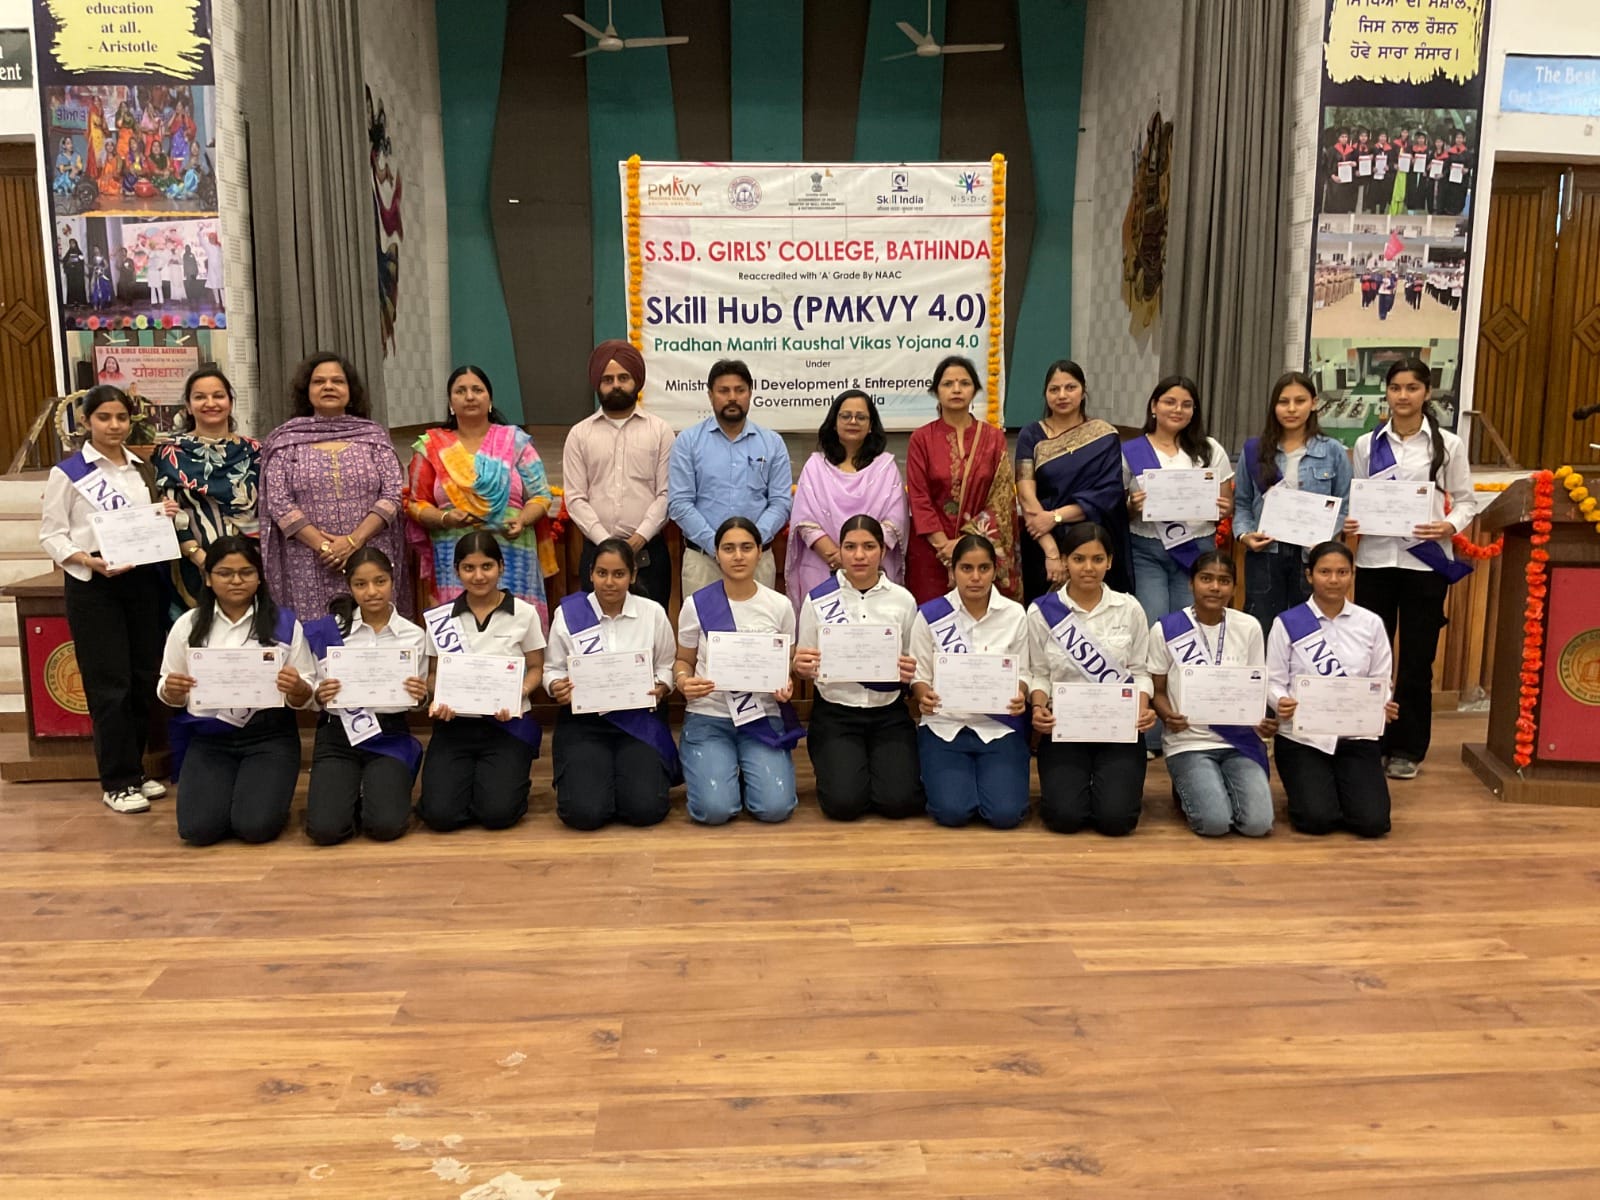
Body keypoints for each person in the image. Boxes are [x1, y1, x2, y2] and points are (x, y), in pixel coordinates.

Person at [40, 385, 180, 813]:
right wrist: (87, 560)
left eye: (121, 417)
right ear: (86, 421)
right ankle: (116, 781)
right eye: (104, 418)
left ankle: (135, 770)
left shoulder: (142, 469)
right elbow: (51, 535)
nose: (114, 426)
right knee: (110, 684)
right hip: (94, 584)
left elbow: (149, 524)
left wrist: (167, 515)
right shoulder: (68, 473)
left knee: (141, 678)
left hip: (141, 580)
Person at [1348, 357, 1475, 781]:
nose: (1403, 396)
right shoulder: (1367, 444)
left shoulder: (1448, 445)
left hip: (1426, 561)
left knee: (1417, 660)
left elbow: (1467, 500)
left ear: (1427, 393)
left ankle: (1407, 747)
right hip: (1375, 560)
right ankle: (1370, 738)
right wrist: (1355, 519)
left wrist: (1449, 525)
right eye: (1396, 388)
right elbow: (1360, 496)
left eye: (1412, 388)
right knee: (1371, 655)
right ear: (1386, 392)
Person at [157, 537, 318, 845]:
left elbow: (307, 694)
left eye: (246, 572)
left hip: (268, 737)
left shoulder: (284, 624)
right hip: (210, 738)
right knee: (198, 831)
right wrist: (172, 690)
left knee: (255, 827)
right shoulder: (188, 625)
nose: (236, 580)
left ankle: (260, 800)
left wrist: (298, 687)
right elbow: (167, 685)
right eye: (225, 573)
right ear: (208, 578)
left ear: (259, 577)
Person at [1026, 522, 1155, 835]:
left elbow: (1140, 671)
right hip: (1064, 727)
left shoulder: (1129, 608)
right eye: (1079, 559)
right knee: (1065, 818)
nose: (1088, 568)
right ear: (1065, 561)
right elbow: (1039, 673)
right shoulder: (1041, 612)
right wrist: (1039, 707)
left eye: (1097, 559)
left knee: (1116, 820)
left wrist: (1142, 707)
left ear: (1109, 562)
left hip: (1119, 728)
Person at [261, 352, 409, 622]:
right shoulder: (286, 441)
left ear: (350, 391)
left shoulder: (373, 437)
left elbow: (392, 493)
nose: (328, 387)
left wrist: (354, 541)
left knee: (374, 628)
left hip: (370, 554)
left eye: (337, 381)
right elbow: (279, 502)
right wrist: (324, 547)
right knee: (316, 634)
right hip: (308, 561)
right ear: (307, 392)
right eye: (319, 382)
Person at [792, 514, 922, 821]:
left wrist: (909, 672)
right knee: (844, 805)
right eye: (850, 547)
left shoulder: (903, 600)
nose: (859, 555)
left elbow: (912, 662)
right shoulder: (817, 600)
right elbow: (803, 664)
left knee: (899, 804)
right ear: (840, 551)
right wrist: (801, 666)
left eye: (869, 546)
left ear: (883, 550)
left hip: (888, 714)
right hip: (836, 713)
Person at [545, 537, 680, 830]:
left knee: (645, 810)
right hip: (585, 723)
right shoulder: (568, 615)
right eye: (602, 573)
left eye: (619, 574)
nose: (609, 582)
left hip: (639, 720)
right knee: (584, 814)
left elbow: (666, 665)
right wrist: (556, 686)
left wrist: (662, 686)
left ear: (632, 575)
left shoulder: (652, 613)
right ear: (590, 574)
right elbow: (552, 669)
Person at [674, 516, 801, 825]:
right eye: (728, 548)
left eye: (746, 547)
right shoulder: (696, 605)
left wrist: (786, 682)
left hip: (761, 716)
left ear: (760, 552)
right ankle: (725, 770)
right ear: (717, 554)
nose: (738, 556)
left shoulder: (780, 605)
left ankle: (743, 771)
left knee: (775, 809)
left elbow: (787, 663)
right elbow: (683, 660)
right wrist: (683, 681)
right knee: (714, 811)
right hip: (709, 715)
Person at [405, 364, 554, 625]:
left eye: (477, 390)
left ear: (490, 399)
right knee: (460, 628)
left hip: (512, 553)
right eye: (460, 391)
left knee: (515, 627)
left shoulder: (514, 441)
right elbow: (416, 504)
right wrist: (445, 518)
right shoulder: (431, 446)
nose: (470, 396)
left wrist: (522, 520)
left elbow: (541, 495)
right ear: (450, 403)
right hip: (455, 558)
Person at [418, 532, 546, 833]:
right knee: (439, 816)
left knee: (498, 814)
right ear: (457, 571)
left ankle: (497, 787)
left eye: (486, 566)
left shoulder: (525, 613)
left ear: (501, 567)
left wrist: (519, 693)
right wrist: (439, 696)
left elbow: (536, 668)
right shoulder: (440, 618)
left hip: (506, 724)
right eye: (469, 568)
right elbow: (433, 674)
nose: (478, 576)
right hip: (455, 724)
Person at [1267, 541, 1397, 837]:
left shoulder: (1371, 623)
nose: (1334, 580)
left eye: (1342, 572)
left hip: (1355, 735)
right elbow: (1273, 680)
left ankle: (1341, 790)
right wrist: (1281, 701)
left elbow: (1381, 680)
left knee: (1373, 823)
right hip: (1303, 737)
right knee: (1316, 820)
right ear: (1309, 575)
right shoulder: (1287, 623)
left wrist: (1384, 704)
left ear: (1352, 575)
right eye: (1325, 572)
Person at [302, 549, 429, 845]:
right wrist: (319, 694)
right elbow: (312, 692)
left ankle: (373, 790)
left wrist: (421, 697)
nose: (371, 592)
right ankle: (350, 793)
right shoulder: (331, 630)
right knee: (325, 830)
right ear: (350, 586)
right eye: (361, 584)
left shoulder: (413, 635)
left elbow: (417, 701)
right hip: (338, 735)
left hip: (389, 734)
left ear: (392, 580)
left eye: (380, 581)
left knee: (386, 827)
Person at [1149, 551, 1276, 838]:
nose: (1215, 587)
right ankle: (1192, 787)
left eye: (1224, 580)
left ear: (1234, 587)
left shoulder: (1248, 627)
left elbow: (1254, 686)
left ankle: (1212, 788)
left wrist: (1261, 721)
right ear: (1191, 583)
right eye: (1206, 579)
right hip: (1189, 742)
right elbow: (1158, 691)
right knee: (1214, 823)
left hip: (1238, 742)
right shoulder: (1165, 629)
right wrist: (1167, 715)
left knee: (1258, 825)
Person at [909, 533, 1031, 828]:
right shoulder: (930, 615)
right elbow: (919, 675)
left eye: (984, 568)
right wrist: (923, 695)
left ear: (994, 571)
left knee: (1005, 815)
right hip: (945, 726)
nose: (975, 577)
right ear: (952, 571)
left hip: (999, 727)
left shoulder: (1014, 614)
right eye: (966, 568)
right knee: (952, 812)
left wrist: (1020, 692)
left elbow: (1025, 673)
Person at [1234, 371, 1352, 630]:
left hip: (1312, 555)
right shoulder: (1254, 450)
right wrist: (1244, 535)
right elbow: (1242, 502)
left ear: (1314, 403)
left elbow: (1344, 503)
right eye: (1283, 402)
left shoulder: (1333, 451)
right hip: (1265, 553)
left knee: (1310, 629)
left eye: (1300, 401)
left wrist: (1324, 538)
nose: (1291, 409)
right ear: (1273, 406)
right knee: (1262, 626)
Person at [562, 339, 675, 607]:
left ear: (637, 381)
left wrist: (638, 538)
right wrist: (607, 544)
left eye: (623, 378)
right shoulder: (579, 434)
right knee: (597, 627)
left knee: (650, 627)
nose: (616, 385)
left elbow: (667, 494)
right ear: (597, 384)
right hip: (596, 551)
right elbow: (575, 498)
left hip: (648, 553)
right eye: (608, 379)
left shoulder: (660, 431)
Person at [668, 359, 792, 595]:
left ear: (750, 393)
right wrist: (718, 547)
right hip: (703, 562)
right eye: (724, 391)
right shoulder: (688, 442)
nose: (732, 397)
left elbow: (780, 503)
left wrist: (749, 546)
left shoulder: (772, 443)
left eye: (740, 390)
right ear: (710, 395)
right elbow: (680, 503)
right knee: (705, 621)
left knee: (758, 620)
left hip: (757, 562)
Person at [1122, 374, 1233, 631]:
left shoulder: (1210, 449)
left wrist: (1224, 509)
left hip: (1196, 549)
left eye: (1186, 404)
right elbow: (1117, 509)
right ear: (1154, 406)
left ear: (1194, 411)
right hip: (1146, 550)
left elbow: (1226, 505)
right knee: (1153, 624)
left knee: (1190, 625)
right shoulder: (1132, 450)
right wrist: (1131, 506)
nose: (1178, 410)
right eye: (1169, 402)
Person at [785, 390, 909, 616]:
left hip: (872, 570)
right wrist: (839, 557)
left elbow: (894, 522)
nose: (853, 421)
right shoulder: (815, 466)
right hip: (823, 567)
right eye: (845, 416)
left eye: (861, 417)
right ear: (834, 423)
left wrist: (861, 555)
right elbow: (805, 520)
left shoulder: (885, 467)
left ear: (871, 425)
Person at [905, 356, 1019, 603]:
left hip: (980, 550)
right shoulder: (921, 439)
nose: (956, 389)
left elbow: (1001, 499)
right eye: (948, 384)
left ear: (975, 390)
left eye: (964, 383)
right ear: (936, 391)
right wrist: (945, 547)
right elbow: (919, 498)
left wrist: (964, 543)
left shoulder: (993, 438)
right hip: (932, 552)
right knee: (934, 617)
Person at [1015, 360, 1129, 600]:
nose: (1062, 395)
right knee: (1047, 613)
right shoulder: (1031, 434)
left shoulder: (1104, 435)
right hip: (1042, 540)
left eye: (1070, 387)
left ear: (1083, 391)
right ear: (1045, 394)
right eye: (1054, 389)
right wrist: (1051, 551)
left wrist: (1055, 517)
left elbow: (1108, 494)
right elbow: (1025, 494)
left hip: (1093, 539)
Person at [153, 368, 261, 611]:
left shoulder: (255, 451)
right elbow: (171, 513)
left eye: (218, 396)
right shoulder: (171, 453)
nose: (210, 403)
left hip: (252, 565)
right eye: (200, 397)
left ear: (230, 402)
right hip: (195, 565)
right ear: (188, 406)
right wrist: (202, 559)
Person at [60, 239, 87, 306]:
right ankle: (72, 302)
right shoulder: (69, 252)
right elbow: (64, 260)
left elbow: (82, 261)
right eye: (70, 243)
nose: (72, 245)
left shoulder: (79, 252)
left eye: (73, 243)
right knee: (71, 287)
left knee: (79, 287)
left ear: (75, 244)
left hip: (78, 273)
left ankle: (80, 302)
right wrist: (68, 262)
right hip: (71, 274)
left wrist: (77, 259)